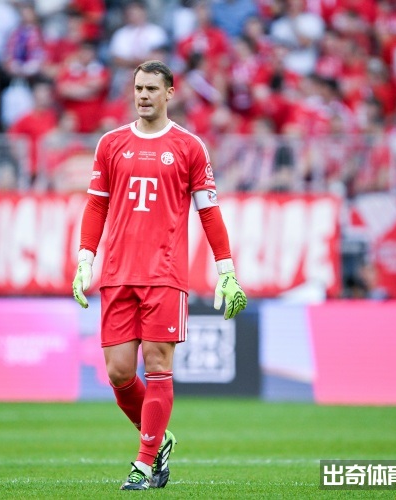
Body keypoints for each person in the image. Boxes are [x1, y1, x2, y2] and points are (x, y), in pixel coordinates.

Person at [71, 60, 247, 490]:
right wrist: (85, 259)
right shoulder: (111, 143)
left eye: (152, 88)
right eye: (138, 88)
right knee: (118, 373)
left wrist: (226, 270)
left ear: (170, 93)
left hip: (166, 275)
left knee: (157, 365)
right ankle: (160, 439)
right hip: (117, 273)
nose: (144, 95)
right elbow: (96, 205)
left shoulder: (189, 147)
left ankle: (144, 464)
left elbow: (209, 212)